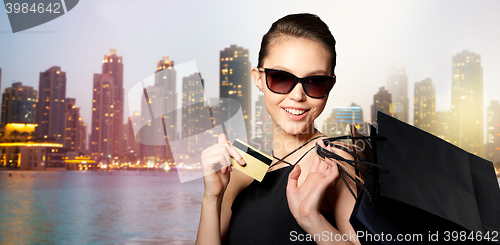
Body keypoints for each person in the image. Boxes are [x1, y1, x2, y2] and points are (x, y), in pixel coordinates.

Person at [196, 13, 360, 245]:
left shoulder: (333, 161)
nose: (297, 96)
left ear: (330, 85)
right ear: (259, 79)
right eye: (281, 78)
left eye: (315, 82)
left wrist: (310, 218)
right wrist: (211, 198)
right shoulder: (243, 167)